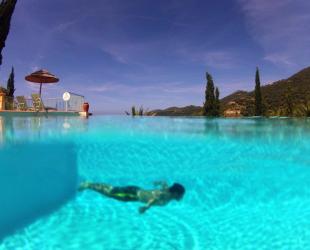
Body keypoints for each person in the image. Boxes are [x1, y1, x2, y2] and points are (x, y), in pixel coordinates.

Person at [78, 181, 185, 214]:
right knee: (110, 193)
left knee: (113, 191)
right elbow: (155, 198)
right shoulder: (165, 196)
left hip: (135, 191)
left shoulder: (167, 191)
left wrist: (158, 182)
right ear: (175, 193)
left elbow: (164, 183)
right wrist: (146, 207)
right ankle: (89, 185)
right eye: (181, 194)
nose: (181, 197)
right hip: (133, 194)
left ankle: (91, 185)